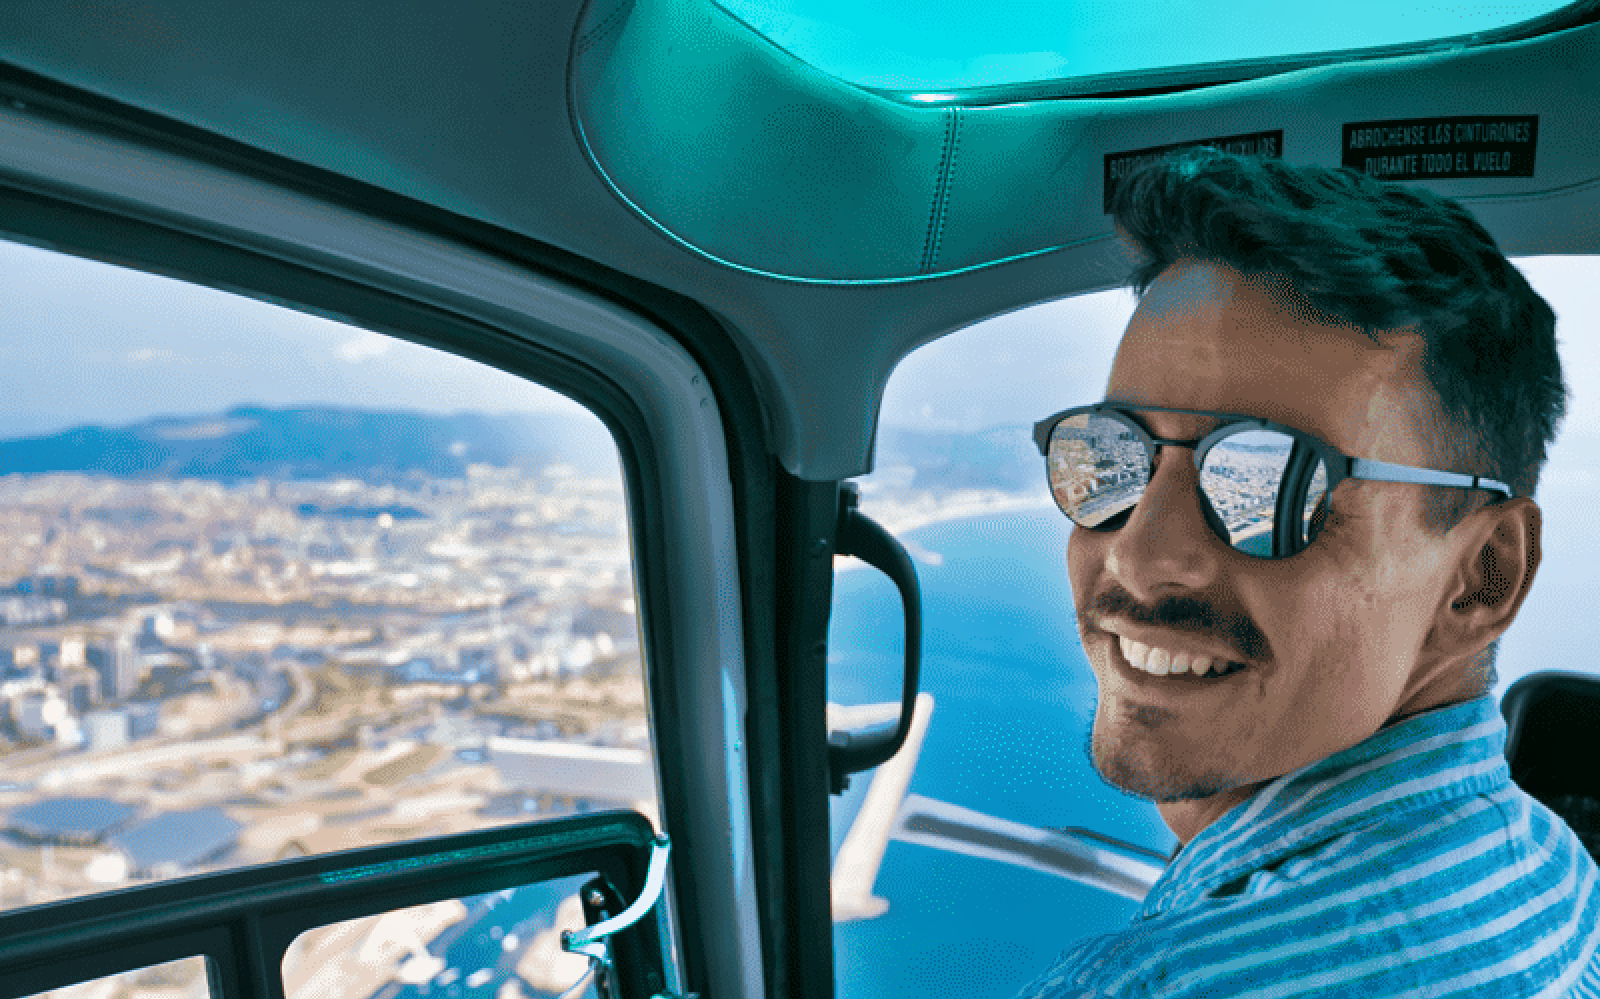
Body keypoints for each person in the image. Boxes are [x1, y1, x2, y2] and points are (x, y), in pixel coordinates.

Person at [1018, 148, 1600, 997]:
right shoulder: (1563, 880)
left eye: (1269, 477)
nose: (1140, 558)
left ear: (1483, 576)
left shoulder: (1158, 984)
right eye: (1110, 456)